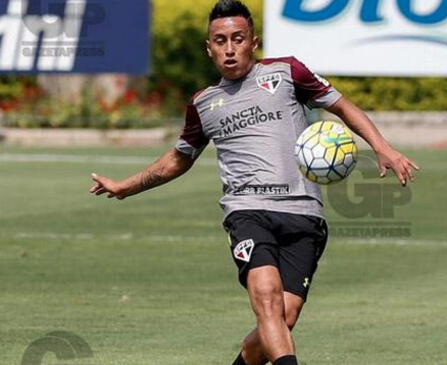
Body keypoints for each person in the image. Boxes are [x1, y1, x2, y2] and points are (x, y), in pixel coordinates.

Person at [88, 1, 419, 364]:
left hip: (304, 212)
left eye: (237, 38)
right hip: (247, 212)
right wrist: (124, 186)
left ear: (253, 42)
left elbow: (342, 106)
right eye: (220, 40)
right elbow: (177, 160)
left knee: (280, 320)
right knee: (266, 297)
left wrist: (382, 148)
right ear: (209, 48)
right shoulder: (203, 103)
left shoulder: (287, 72)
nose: (229, 48)